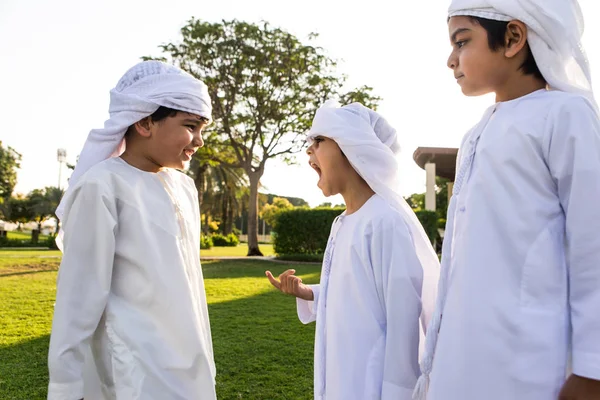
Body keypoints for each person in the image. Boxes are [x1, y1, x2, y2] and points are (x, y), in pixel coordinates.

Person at [413, 1, 600, 399]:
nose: (451, 60)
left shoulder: (566, 117)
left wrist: (592, 368)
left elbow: (593, 246)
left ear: (513, 37)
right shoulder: (474, 135)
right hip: (462, 359)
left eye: (461, 42)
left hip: (529, 366)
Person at [47, 60, 217, 400]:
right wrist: (66, 387)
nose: (198, 141)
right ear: (144, 121)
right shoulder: (102, 186)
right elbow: (77, 299)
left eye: (202, 129)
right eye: (190, 126)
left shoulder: (184, 187)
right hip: (134, 374)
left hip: (191, 367)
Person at [266, 100, 440, 400]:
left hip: (371, 387)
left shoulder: (385, 222)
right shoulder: (343, 223)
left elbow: (403, 326)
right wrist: (310, 293)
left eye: (318, 141)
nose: (309, 151)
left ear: (353, 146)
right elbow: (356, 293)